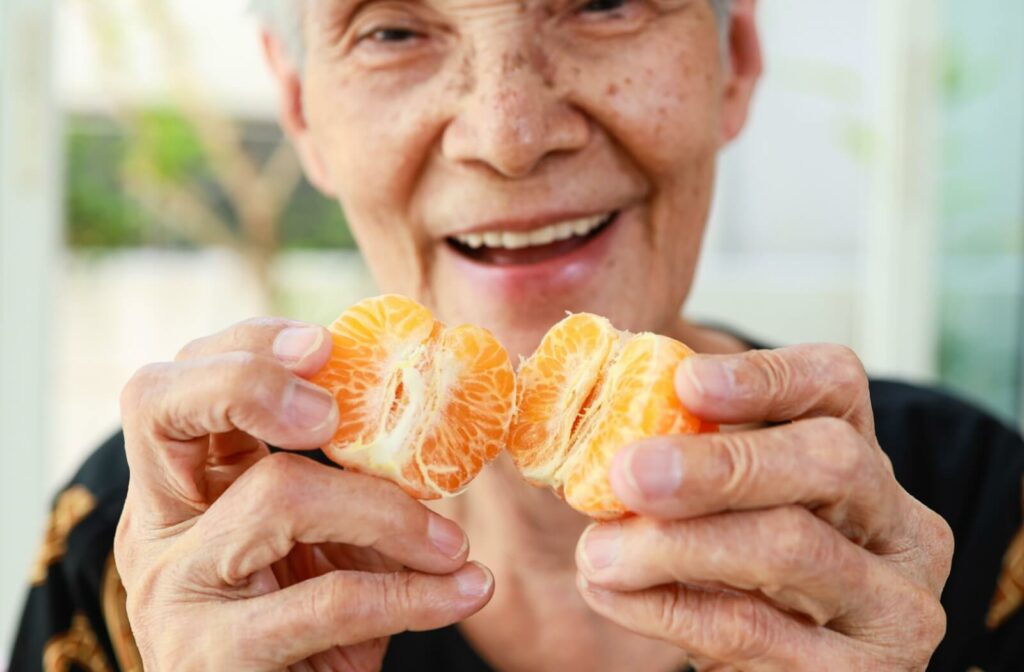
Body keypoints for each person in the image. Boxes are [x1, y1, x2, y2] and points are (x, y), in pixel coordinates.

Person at [10, 0, 1024, 669]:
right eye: (392, 30)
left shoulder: (976, 504)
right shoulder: (157, 545)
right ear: (302, 112)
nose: (506, 134)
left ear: (735, 59)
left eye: (602, 0)